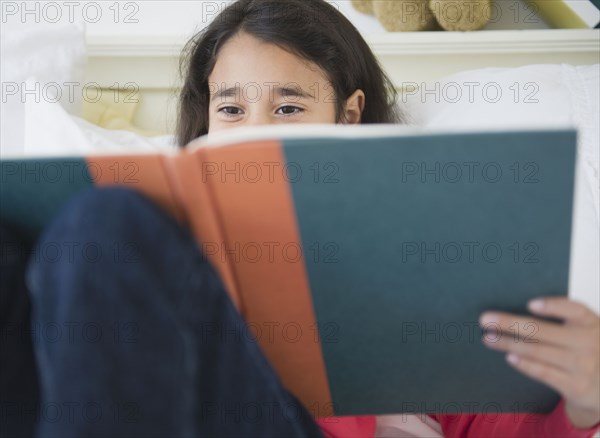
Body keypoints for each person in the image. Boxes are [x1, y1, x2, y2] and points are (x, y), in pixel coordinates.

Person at [1, 0, 598, 437]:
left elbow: (499, 422)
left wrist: (586, 401)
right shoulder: (159, 260)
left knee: (104, 226)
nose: (255, 131)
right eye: (231, 108)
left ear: (348, 114)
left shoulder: (422, 252)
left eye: (288, 106)